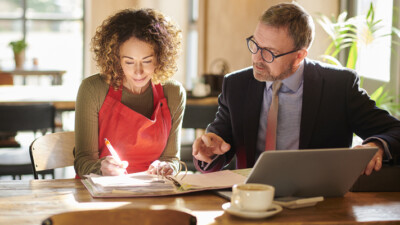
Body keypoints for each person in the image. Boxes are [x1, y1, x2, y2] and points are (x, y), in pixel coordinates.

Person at [192, 2, 400, 175]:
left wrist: (378, 146)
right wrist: (209, 151)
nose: (256, 58)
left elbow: (395, 130)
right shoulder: (236, 85)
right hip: (251, 201)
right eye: (255, 44)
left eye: (269, 53)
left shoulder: (338, 86)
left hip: (320, 203)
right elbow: (219, 141)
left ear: (300, 55)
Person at [74, 8, 185, 177]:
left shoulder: (173, 93)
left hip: (155, 193)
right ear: (116, 59)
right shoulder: (92, 89)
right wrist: (101, 168)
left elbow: (172, 158)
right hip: (102, 193)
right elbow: (82, 162)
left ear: (160, 58)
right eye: (129, 62)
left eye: (147, 61)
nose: (138, 71)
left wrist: (167, 167)